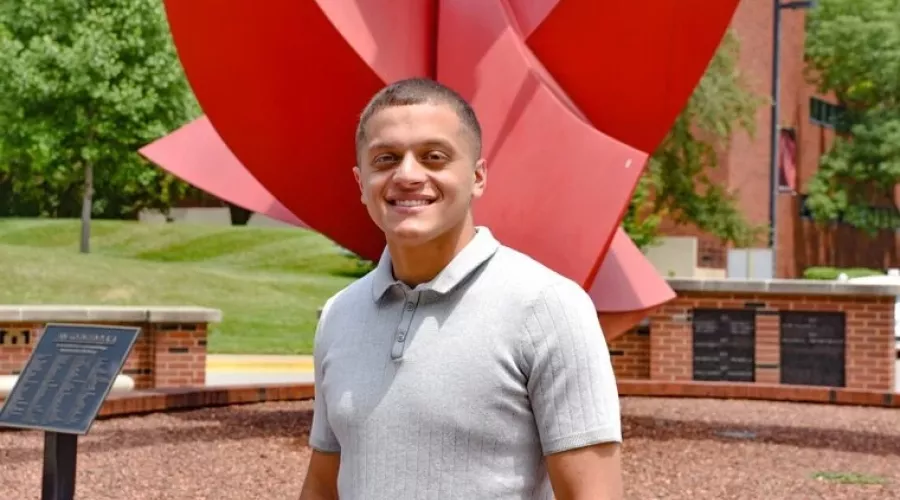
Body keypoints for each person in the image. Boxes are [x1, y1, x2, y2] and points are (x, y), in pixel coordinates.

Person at [299, 77, 623, 500]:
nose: (408, 174)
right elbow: (324, 484)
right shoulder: (339, 315)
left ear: (477, 176)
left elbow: (592, 494)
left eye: (434, 157)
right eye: (386, 158)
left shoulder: (547, 307)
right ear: (361, 182)